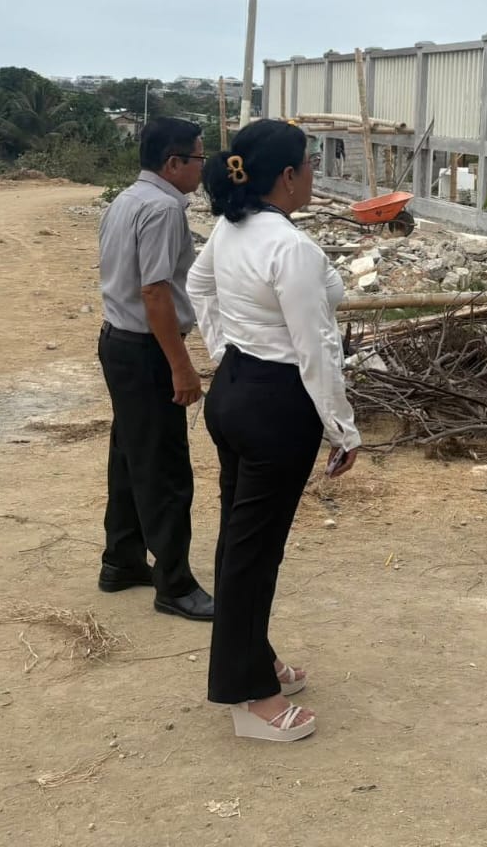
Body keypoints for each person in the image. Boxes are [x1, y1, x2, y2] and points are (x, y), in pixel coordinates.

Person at [186, 120, 360, 743]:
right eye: (310, 164)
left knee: (243, 544)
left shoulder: (234, 228)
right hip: (275, 407)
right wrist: (342, 429)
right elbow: (317, 348)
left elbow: (199, 285)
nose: (314, 174)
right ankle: (248, 693)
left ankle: (255, 660)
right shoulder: (289, 247)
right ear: (288, 176)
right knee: (253, 553)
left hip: (236, 391)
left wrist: (226, 348)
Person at [95, 117, 215, 622]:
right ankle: (175, 585)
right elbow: (155, 291)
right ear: (173, 163)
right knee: (165, 469)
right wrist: (180, 367)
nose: (202, 168)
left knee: (130, 455)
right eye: (199, 158)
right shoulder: (164, 209)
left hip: (118, 342)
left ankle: (122, 559)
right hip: (146, 349)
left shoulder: (126, 200)